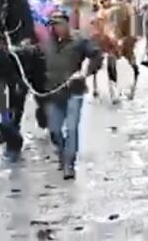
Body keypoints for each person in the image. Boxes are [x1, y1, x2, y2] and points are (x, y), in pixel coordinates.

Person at [43, 12, 102, 180]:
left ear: (66, 24)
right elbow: (34, 57)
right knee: (54, 130)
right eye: (53, 25)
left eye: (59, 24)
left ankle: (69, 163)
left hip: (74, 92)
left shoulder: (79, 41)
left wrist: (85, 72)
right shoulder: (47, 44)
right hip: (54, 92)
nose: (56, 28)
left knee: (72, 128)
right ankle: (62, 154)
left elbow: (97, 55)